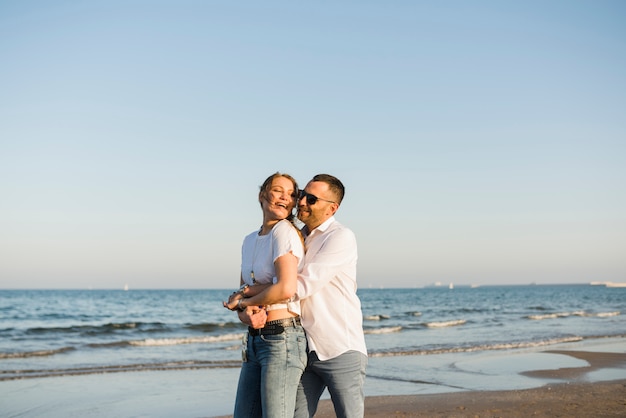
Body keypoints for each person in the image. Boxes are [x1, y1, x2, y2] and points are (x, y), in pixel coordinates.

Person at [236, 173, 368, 418]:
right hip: (306, 346)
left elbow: (299, 287)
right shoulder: (298, 236)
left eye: (311, 198)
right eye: (302, 196)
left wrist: (245, 295)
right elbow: (279, 283)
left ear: (332, 208)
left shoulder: (340, 237)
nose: (302, 202)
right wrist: (249, 305)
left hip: (340, 348)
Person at [223, 172, 307, 418]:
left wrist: (246, 300)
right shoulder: (249, 240)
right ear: (262, 195)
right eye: (278, 190)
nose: (285, 197)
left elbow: (285, 288)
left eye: (291, 194)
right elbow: (241, 293)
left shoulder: (284, 232)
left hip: (282, 339)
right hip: (253, 341)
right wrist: (245, 313)